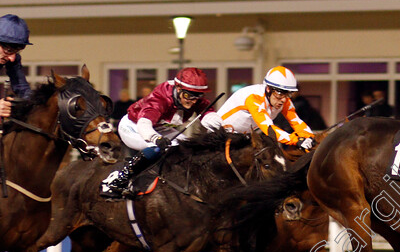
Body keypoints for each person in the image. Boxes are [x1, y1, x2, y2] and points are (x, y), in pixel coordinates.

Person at [100, 67, 214, 199]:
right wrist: (156, 138)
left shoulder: (193, 98)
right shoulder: (161, 97)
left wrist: (222, 126)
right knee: (156, 149)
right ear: (178, 88)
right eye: (188, 96)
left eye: (198, 97)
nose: (192, 101)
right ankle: (118, 179)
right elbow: (144, 124)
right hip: (134, 126)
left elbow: (209, 115)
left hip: (160, 128)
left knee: (187, 147)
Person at [201, 66, 316, 150]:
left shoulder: (283, 99)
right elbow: (268, 128)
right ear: (268, 89)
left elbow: (296, 122)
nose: (284, 99)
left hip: (241, 138)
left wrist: (309, 137)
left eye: (288, 94)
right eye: (280, 93)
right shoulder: (254, 98)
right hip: (218, 136)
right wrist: (295, 140)